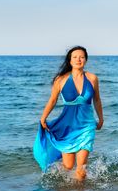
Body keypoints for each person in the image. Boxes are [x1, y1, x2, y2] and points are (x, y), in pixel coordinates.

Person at [33, 46, 104, 181]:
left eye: (82, 57)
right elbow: (52, 100)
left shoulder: (92, 78)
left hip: (86, 126)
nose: (78, 59)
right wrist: (43, 118)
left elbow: (97, 100)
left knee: (81, 169)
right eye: (75, 57)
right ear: (70, 60)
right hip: (67, 127)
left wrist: (101, 119)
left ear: (86, 60)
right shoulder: (61, 80)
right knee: (68, 166)